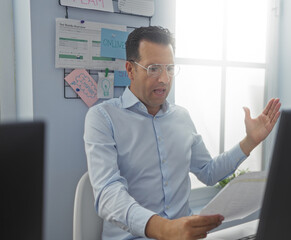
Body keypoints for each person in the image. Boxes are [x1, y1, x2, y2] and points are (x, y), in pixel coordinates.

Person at [84, 26, 281, 240]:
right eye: (153, 68)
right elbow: (108, 194)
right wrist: (164, 229)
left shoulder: (181, 117)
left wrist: (250, 141)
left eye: (169, 68)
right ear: (130, 70)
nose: (164, 79)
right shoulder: (102, 118)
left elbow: (208, 172)